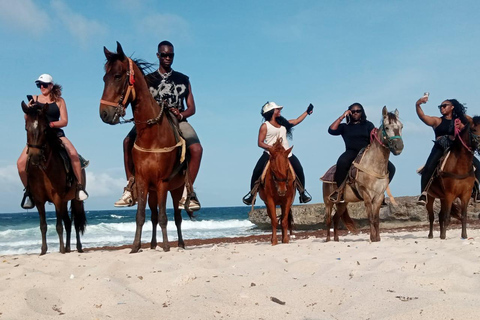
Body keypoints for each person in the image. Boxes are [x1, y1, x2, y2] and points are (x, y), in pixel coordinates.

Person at [114, 41, 203, 211]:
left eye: (170, 55)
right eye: (164, 55)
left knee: (197, 149)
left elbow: (192, 107)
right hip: (152, 122)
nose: (167, 58)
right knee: (127, 142)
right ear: (158, 56)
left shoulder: (183, 79)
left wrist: (182, 114)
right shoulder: (148, 80)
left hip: (177, 121)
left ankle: (188, 191)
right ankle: (130, 187)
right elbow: (138, 102)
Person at [17, 74, 88, 209]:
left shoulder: (59, 101)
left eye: (44, 84)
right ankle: (28, 193)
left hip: (56, 134)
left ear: (51, 85)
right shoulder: (33, 99)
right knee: (20, 163)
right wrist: (27, 110)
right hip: (38, 137)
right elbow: (28, 119)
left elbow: (65, 121)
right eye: (39, 85)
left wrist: (51, 125)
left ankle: (79, 187)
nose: (41, 87)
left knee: (73, 154)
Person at [242, 101, 313, 205]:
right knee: (257, 171)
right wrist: (271, 148)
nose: (279, 111)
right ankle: (252, 194)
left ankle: (302, 193)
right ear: (271, 112)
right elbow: (260, 143)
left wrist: (307, 112)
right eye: (277, 109)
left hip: (286, 154)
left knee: (299, 169)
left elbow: (297, 121)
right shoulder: (265, 126)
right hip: (270, 154)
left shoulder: (283, 124)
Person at [415, 96, 479, 204]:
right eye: (440, 106)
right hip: (441, 147)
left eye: (444, 106)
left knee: (478, 165)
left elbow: (474, 124)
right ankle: (424, 193)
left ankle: (477, 191)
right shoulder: (437, 120)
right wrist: (418, 104)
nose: (442, 108)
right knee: (429, 167)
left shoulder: (460, 119)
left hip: (457, 148)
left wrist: (463, 126)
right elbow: (423, 117)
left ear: (452, 107)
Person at [328, 103, 395, 203]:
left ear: (362, 112)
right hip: (351, 151)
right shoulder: (345, 126)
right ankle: (340, 192)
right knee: (341, 162)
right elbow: (331, 130)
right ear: (349, 112)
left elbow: (375, 138)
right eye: (353, 111)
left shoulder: (368, 124)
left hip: (366, 152)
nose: (355, 113)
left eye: (358, 111)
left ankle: (380, 192)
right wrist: (342, 116)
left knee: (391, 168)